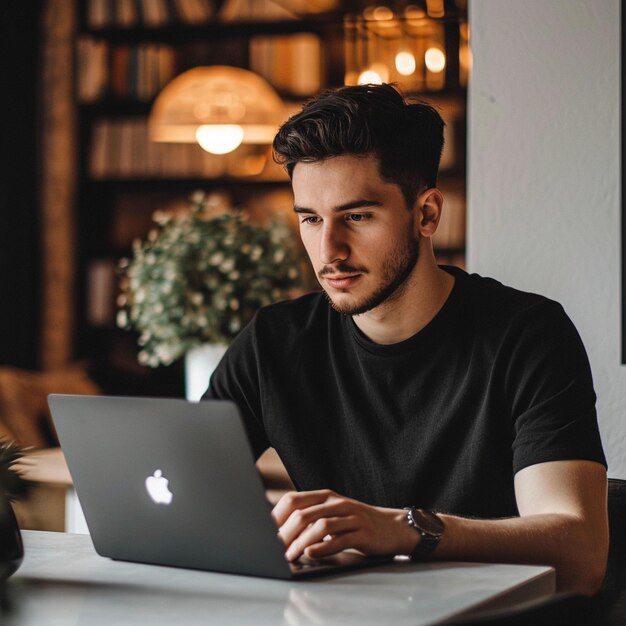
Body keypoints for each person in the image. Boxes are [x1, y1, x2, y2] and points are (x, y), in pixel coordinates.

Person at [203, 83, 608, 595]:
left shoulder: (528, 334)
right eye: (310, 219)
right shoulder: (273, 342)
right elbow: (190, 493)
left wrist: (402, 529)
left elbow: (581, 552)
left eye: (356, 216)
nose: (329, 250)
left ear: (427, 214)